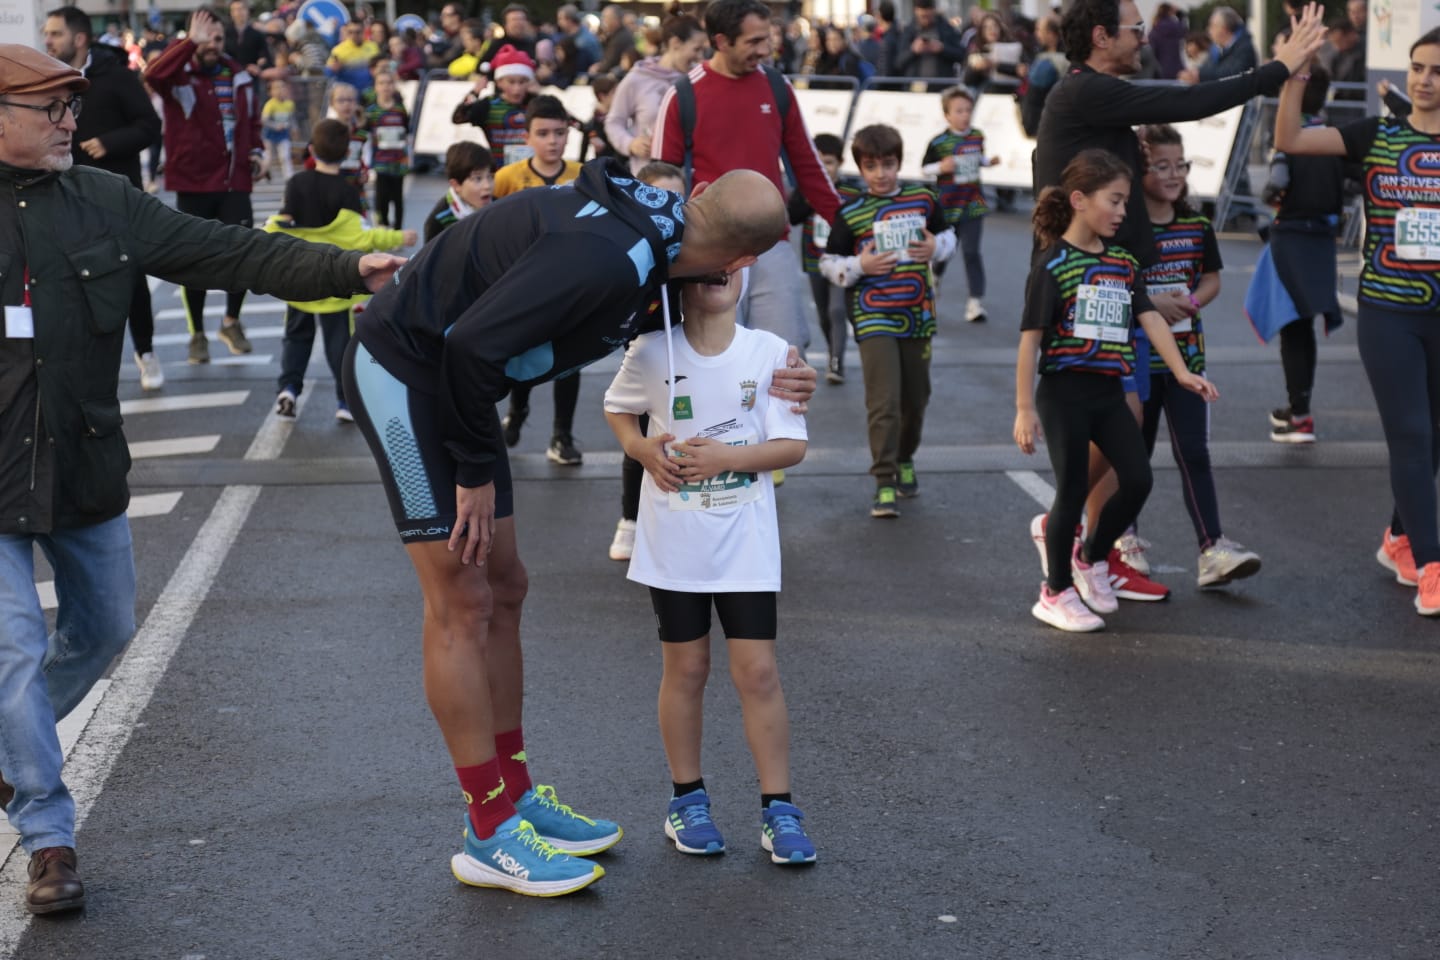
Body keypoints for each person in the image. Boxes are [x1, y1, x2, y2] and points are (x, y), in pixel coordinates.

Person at [0, 43, 404, 916]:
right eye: (51, 109)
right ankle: (48, 837)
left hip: (84, 465)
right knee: (15, 653)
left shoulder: (104, 199)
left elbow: (225, 252)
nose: (72, 123)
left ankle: (7, 754)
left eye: (72, 106)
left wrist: (344, 268)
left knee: (105, 629)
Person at [338, 160, 813, 897]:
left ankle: (514, 792)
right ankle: (487, 831)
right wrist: (473, 471)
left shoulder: (669, 239)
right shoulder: (609, 258)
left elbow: (706, 342)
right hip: (405, 370)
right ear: (745, 256)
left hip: (461, 382)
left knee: (506, 585)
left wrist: (789, 370)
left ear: (698, 200)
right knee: (461, 598)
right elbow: (470, 344)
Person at [1031, 0, 1325, 571]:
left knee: (1123, 425)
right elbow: (1190, 102)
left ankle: (1084, 545)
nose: (1145, 38)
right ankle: (1069, 534)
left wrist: (1142, 291)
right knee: (1117, 425)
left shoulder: (1093, 101)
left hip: (1114, 285)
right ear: (1100, 36)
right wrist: (1277, 68)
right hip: (1084, 291)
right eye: (1135, 29)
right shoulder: (1086, 91)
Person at [603, 265, 816, 866]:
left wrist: (727, 458)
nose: (720, 272)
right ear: (680, 277)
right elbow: (618, 409)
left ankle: (779, 810)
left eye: (732, 264)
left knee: (759, 673)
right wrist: (641, 449)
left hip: (746, 543)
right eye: (706, 264)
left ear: (746, 273)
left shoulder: (770, 352)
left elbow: (793, 446)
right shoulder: (651, 351)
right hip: (674, 543)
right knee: (687, 668)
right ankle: (687, 800)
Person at [1014, 150, 1218, 633]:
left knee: (1138, 479)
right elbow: (1030, 342)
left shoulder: (1124, 263)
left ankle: (1090, 557)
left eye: (1126, 202)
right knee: (1072, 491)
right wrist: (1024, 408)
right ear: (1080, 200)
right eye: (1116, 200)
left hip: (1108, 391)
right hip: (1064, 393)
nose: (1124, 211)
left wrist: (1182, 372)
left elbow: (1150, 319)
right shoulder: (1053, 264)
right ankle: (1055, 592)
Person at [1274, 27, 1440, 615]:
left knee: (1433, 438)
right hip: (1390, 311)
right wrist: (1295, 73)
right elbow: (1290, 138)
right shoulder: (1377, 134)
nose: (1424, 80)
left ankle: (1399, 536)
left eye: (1437, 71)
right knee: (1412, 435)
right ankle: (1432, 567)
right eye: (1417, 68)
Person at [652, 0, 842, 354]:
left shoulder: (778, 87)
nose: (766, 50)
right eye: (754, 41)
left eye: (766, 38)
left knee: (784, 357)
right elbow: (659, 185)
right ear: (721, 41)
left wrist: (844, 221)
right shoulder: (682, 95)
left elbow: (807, 164)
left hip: (772, 245)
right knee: (713, 357)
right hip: (708, 253)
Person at [1135, 123, 1262, 589]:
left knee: (1194, 451)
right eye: (1161, 166)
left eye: (1180, 165)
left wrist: (1190, 301)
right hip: (1136, 363)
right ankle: (1123, 540)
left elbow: (1211, 280)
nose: (1173, 174)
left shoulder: (1197, 226)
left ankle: (1212, 548)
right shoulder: (1125, 229)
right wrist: (1150, 303)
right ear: (1138, 171)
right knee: (1133, 457)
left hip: (1187, 363)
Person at [820, 124, 954, 518]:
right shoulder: (850, 211)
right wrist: (859, 265)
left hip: (918, 314)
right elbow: (828, 262)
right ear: (860, 168)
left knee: (916, 400)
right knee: (884, 402)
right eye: (871, 166)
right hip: (872, 315)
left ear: (899, 162)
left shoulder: (923, 198)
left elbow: (949, 236)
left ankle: (905, 457)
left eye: (888, 164)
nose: (881, 174)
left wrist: (936, 246)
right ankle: (883, 481)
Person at [42, 5, 164, 390]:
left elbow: (150, 125)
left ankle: (146, 352)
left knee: (131, 279)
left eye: (55, 34)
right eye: (46, 33)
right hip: (61, 199)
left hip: (116, 196)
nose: (47, 40)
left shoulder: (117, 77)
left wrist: (109, 143)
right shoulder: (46, 78)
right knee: (70, 284)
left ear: (79, 38)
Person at [265, 118, 415, 423]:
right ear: (347, 153)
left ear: (311, 149)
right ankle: (345, 400)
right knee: (339, 344)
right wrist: (399, 237)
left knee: (296, 337)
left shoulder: (297, 184)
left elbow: (283, 225)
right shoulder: (348, 192)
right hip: (334, 282)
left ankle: (289, 389)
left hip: (299, 280)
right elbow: (361, 237)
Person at [146, 6, 272, 365]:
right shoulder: (179, 76)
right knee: (195, 261)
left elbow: (252, 123)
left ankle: (231, 321)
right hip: (194, 182)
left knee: (243, 253)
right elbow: (153, 75)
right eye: (205, 38)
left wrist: (258, 152)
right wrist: (189, 43)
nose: (212, 44)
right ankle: (197, 333)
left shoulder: (240, 76)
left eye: (217, 38)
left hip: (235, 181)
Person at [1250, 67, 1344, 444]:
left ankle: (1300, 416)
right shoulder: (1335, 137)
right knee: (1305, 326)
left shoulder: (1288, 139)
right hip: (1322, 240)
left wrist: (1270, 199)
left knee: (1293, 329)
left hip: (1290, 239)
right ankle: (1299, 408)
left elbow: (1276, 186)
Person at [492, 95, 588, 465]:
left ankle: (562, 435)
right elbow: (491, 228)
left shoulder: (584, 175)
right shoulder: (507, 177)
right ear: (527, 137)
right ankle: (517, 412)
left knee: (571, 360)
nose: (552, 141)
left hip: (572, 284)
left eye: (559, 133)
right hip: (524, 285)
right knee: (523, 355)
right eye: (543, 133)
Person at [608, 159, 686, 563]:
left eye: (679, 199)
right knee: (640, 433)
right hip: (646, 348)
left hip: (689, 349)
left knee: (685, 432)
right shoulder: (630, 248)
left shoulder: (696, 246)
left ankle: (682, 515)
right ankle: (630, 519)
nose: (672, 208)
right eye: (661, 198)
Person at [921, 87, 997, 323]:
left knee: (972, 252)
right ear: (947, 115)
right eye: (959, 111)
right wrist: (940, 167)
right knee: (946, 251)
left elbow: (977, 158)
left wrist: (988, 162)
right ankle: (936, 276)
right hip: (947, 206)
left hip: (973, 204)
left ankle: (975, 302)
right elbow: (924, 168)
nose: (964, 115)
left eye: (968, 110)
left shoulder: (977, 136)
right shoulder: (939, 142)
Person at [789, 134, 857, 384]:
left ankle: (837, 362)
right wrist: (810, 197)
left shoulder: (852, 192)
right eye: (818, 163)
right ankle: (832, 350)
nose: (824, 169)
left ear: (840, 162)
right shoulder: (806, 189)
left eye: (829, 162)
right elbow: (792, 217)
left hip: (842, 261)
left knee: (837, 310)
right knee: (824, 315)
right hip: (814, 260)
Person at [606, 11, 705, 176]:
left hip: (691, 177)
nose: (700, 57)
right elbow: (614, 121)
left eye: (703, 50)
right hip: (648, 177)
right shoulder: (638, 78)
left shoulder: (698, 79)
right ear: (675, 43)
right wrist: (630, 144)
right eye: (696, 49)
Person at [452, 44, 537, 171]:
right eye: (511, 82)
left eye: (522, 82)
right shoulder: (488, 105)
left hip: (531, 171)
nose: (517, 88)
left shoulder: (536, 104)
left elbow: (565, 120)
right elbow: (458, 118)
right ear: (499, 82)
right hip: (499, 171)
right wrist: (474, 93)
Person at [423, 141, 495, 243]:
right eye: (478, 179)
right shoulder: (440, 220)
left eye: (490, 176)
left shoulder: (499, 207)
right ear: (456, 185)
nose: (487, 185)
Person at [365, 68, 410, 228]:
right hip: (380, 163)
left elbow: (406, 131)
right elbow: (365, 135)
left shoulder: (400, 109)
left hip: (399, 162)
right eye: (381, 83)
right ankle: (382, 228)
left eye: (389, 83)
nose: (386, 86)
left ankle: (398, 231)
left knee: (398, 199)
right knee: (381, 199)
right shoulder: (371, 112)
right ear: (375, 87)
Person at [892, 0, 966, 79]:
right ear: (916, 11)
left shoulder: (946, 29)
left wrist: (942, 49)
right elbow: (898, 62)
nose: (925, 20)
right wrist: (913, 51)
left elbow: (961, 54)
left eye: (928, 16)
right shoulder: (908, 31)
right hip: (915, 83)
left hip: (941, 83)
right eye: (922, 16)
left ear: (933, 11)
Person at [326, 19, 380, 92]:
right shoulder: (338, 50)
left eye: (358, 32)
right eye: (350, 32)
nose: (354, 35)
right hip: (348, 90)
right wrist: (333, 69)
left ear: (363, 31)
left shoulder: (373, 47)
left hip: (369, 89)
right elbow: (328, 72)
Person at [261, 76, 296, 181]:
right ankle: (263, 173)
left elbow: (292, 118)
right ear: (271, 92)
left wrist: (294, 128)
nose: (280, 90)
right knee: (268, 156)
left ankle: (289, 177)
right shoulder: (270, 105)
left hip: (283, 134)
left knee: (285, 156)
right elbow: (264, 120)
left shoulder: (289, 104)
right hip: (270, 134)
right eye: (276, 88)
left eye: (282, 87)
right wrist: (275, 126)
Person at [591, 4, 635, 76]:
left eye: (605, 18)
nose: (604, 21)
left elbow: (609, 63)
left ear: (615, 20)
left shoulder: (621, 37)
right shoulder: (616, 34)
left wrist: (598, 68)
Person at [224, 0, 268, 70]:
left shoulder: (257, 34)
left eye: (242, 8)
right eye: (235, 9)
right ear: (231, 13)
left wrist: (260, 65)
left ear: (248, 11)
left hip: (251, 71)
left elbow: (264, 56)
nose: (239, 12)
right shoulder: (224, 33)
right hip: (228, 70)